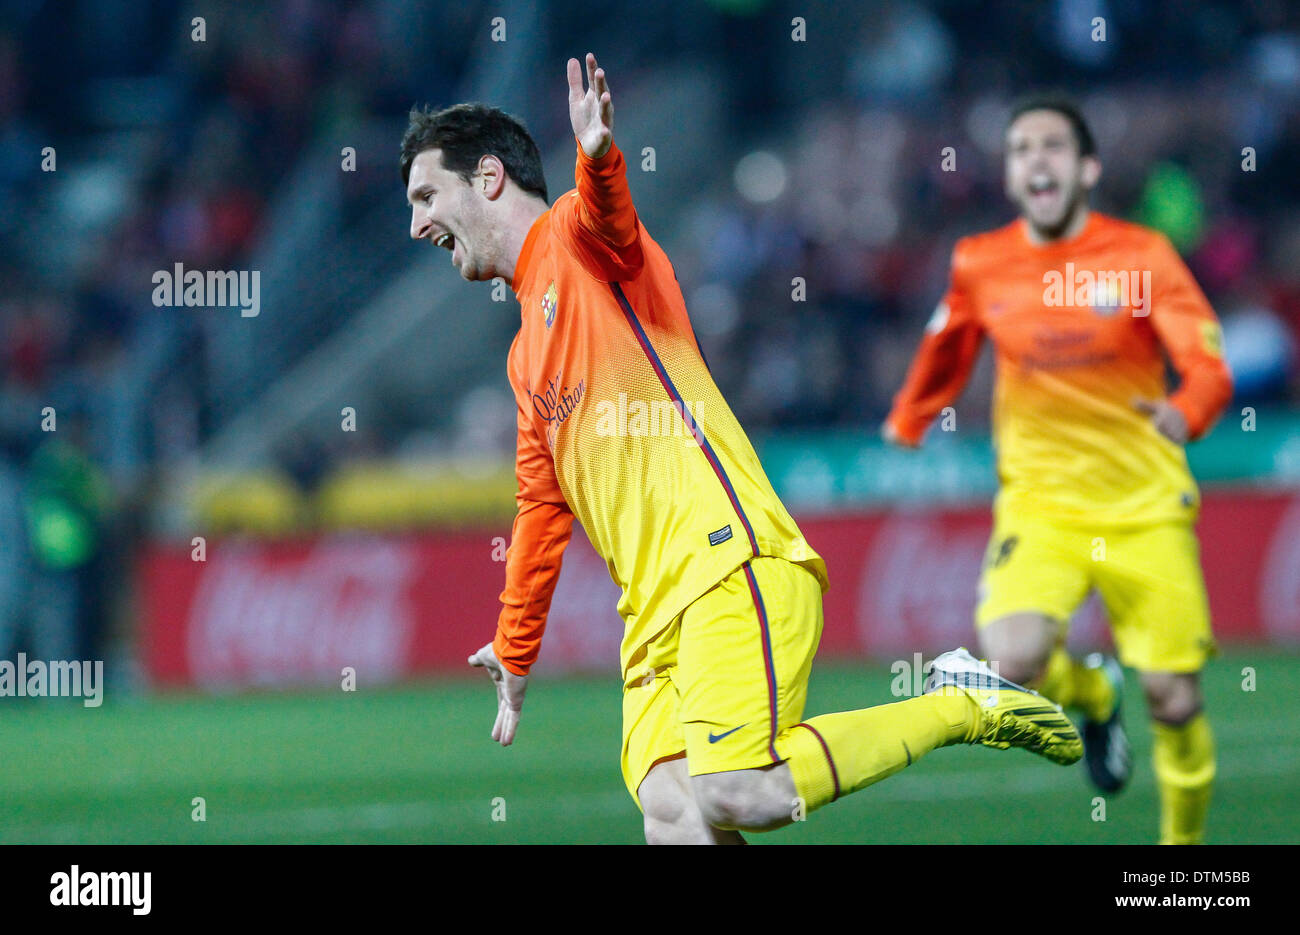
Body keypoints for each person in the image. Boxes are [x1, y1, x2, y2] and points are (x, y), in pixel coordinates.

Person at [402, 55, 1081, 844]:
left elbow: (608, 218)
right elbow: (540, 507)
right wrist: (517, 652)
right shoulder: (526, 356)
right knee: (676, 817)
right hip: (653, 616)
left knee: (739, 793)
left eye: (425, 196)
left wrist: (598, 157)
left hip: (724, 561)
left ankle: (962, 701)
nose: (416, 225)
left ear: (488, 178)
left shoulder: (576, 242)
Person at [884, 96, 1232, 844]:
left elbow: (1206, 356)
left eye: (1052, 147)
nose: (1035, 160)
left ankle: (1183, 861)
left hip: (1143, 504)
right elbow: (947, 341)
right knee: (1012, 662)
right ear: (1011, 174)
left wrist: (1190, 407)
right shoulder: (982, 261)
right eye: (1020, 150)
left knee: (1174, 699)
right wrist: (911, 416)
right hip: (1041, 506)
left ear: (1087, 168)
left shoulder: (1142, 256)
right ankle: (1094, 693)